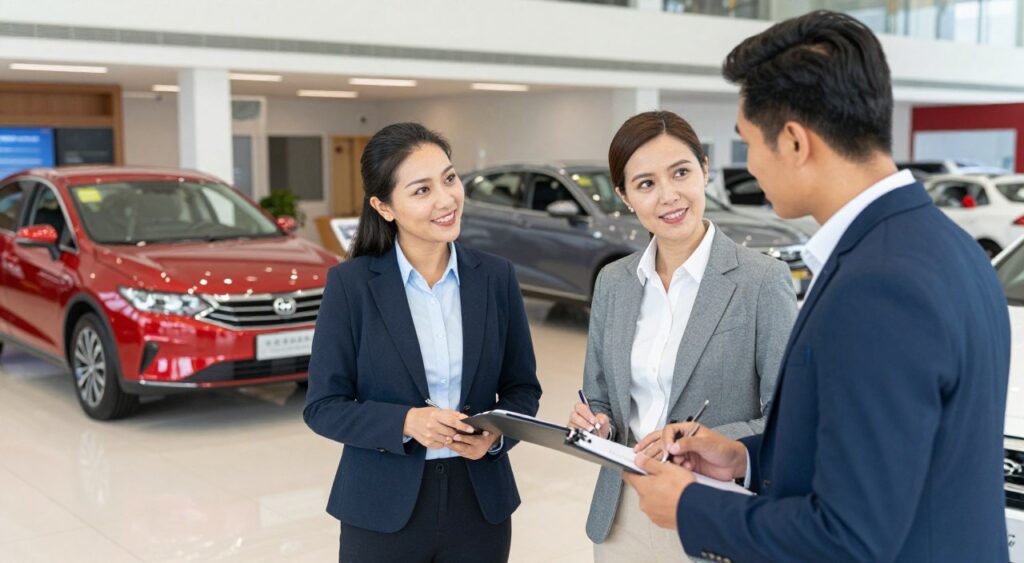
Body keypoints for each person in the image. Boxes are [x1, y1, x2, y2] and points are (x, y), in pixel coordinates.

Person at [624, 11, 1011, 562]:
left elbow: (849, 539)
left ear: (794, 141)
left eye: (749, 144)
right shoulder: (945, 247)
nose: (751, 167)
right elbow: (894, 461)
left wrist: (692, 507)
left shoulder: (879, 286)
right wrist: (747, 459)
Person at [304, 122, 543, 562]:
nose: (446, 199)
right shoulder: (351, 285)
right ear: (384, 206)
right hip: (380, 505)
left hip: (479, 504)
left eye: (449, 179)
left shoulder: (495, 277)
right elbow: (323, 406)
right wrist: (405, 423)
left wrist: (495, 438)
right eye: (421, 190)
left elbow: (523, 390)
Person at [568, 110, 797, 562]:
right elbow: (600, 397)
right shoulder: (615, 281)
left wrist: (703, 438)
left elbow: (788, 419)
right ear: (625, 195)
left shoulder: (761, 280)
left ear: (705, 171)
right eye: (646, 183)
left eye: (681, 173)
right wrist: (598, 422)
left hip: (713, 508)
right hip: (622, 512)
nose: (669, 196)